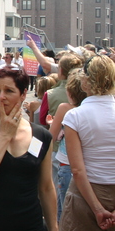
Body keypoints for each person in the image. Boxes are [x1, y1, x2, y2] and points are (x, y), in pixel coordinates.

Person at [0, 68, 57, 231]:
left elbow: (46, 187)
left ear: (23, 94)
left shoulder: (41, 136)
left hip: (29, 222)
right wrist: (5, 135)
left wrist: (53, 227)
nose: (1, 97)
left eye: (9, 91)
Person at [60, 55, 115, 230]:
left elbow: (77, 169)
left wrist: (97, 209)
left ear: (85, 81)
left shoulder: (75, 116)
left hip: (85, 193)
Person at [46, 69, 86, 221]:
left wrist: (54, 124)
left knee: (64, 213)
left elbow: (51, 137)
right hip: (88, 166)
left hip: (67, 166)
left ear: (69, 91)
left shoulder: (65, 108)